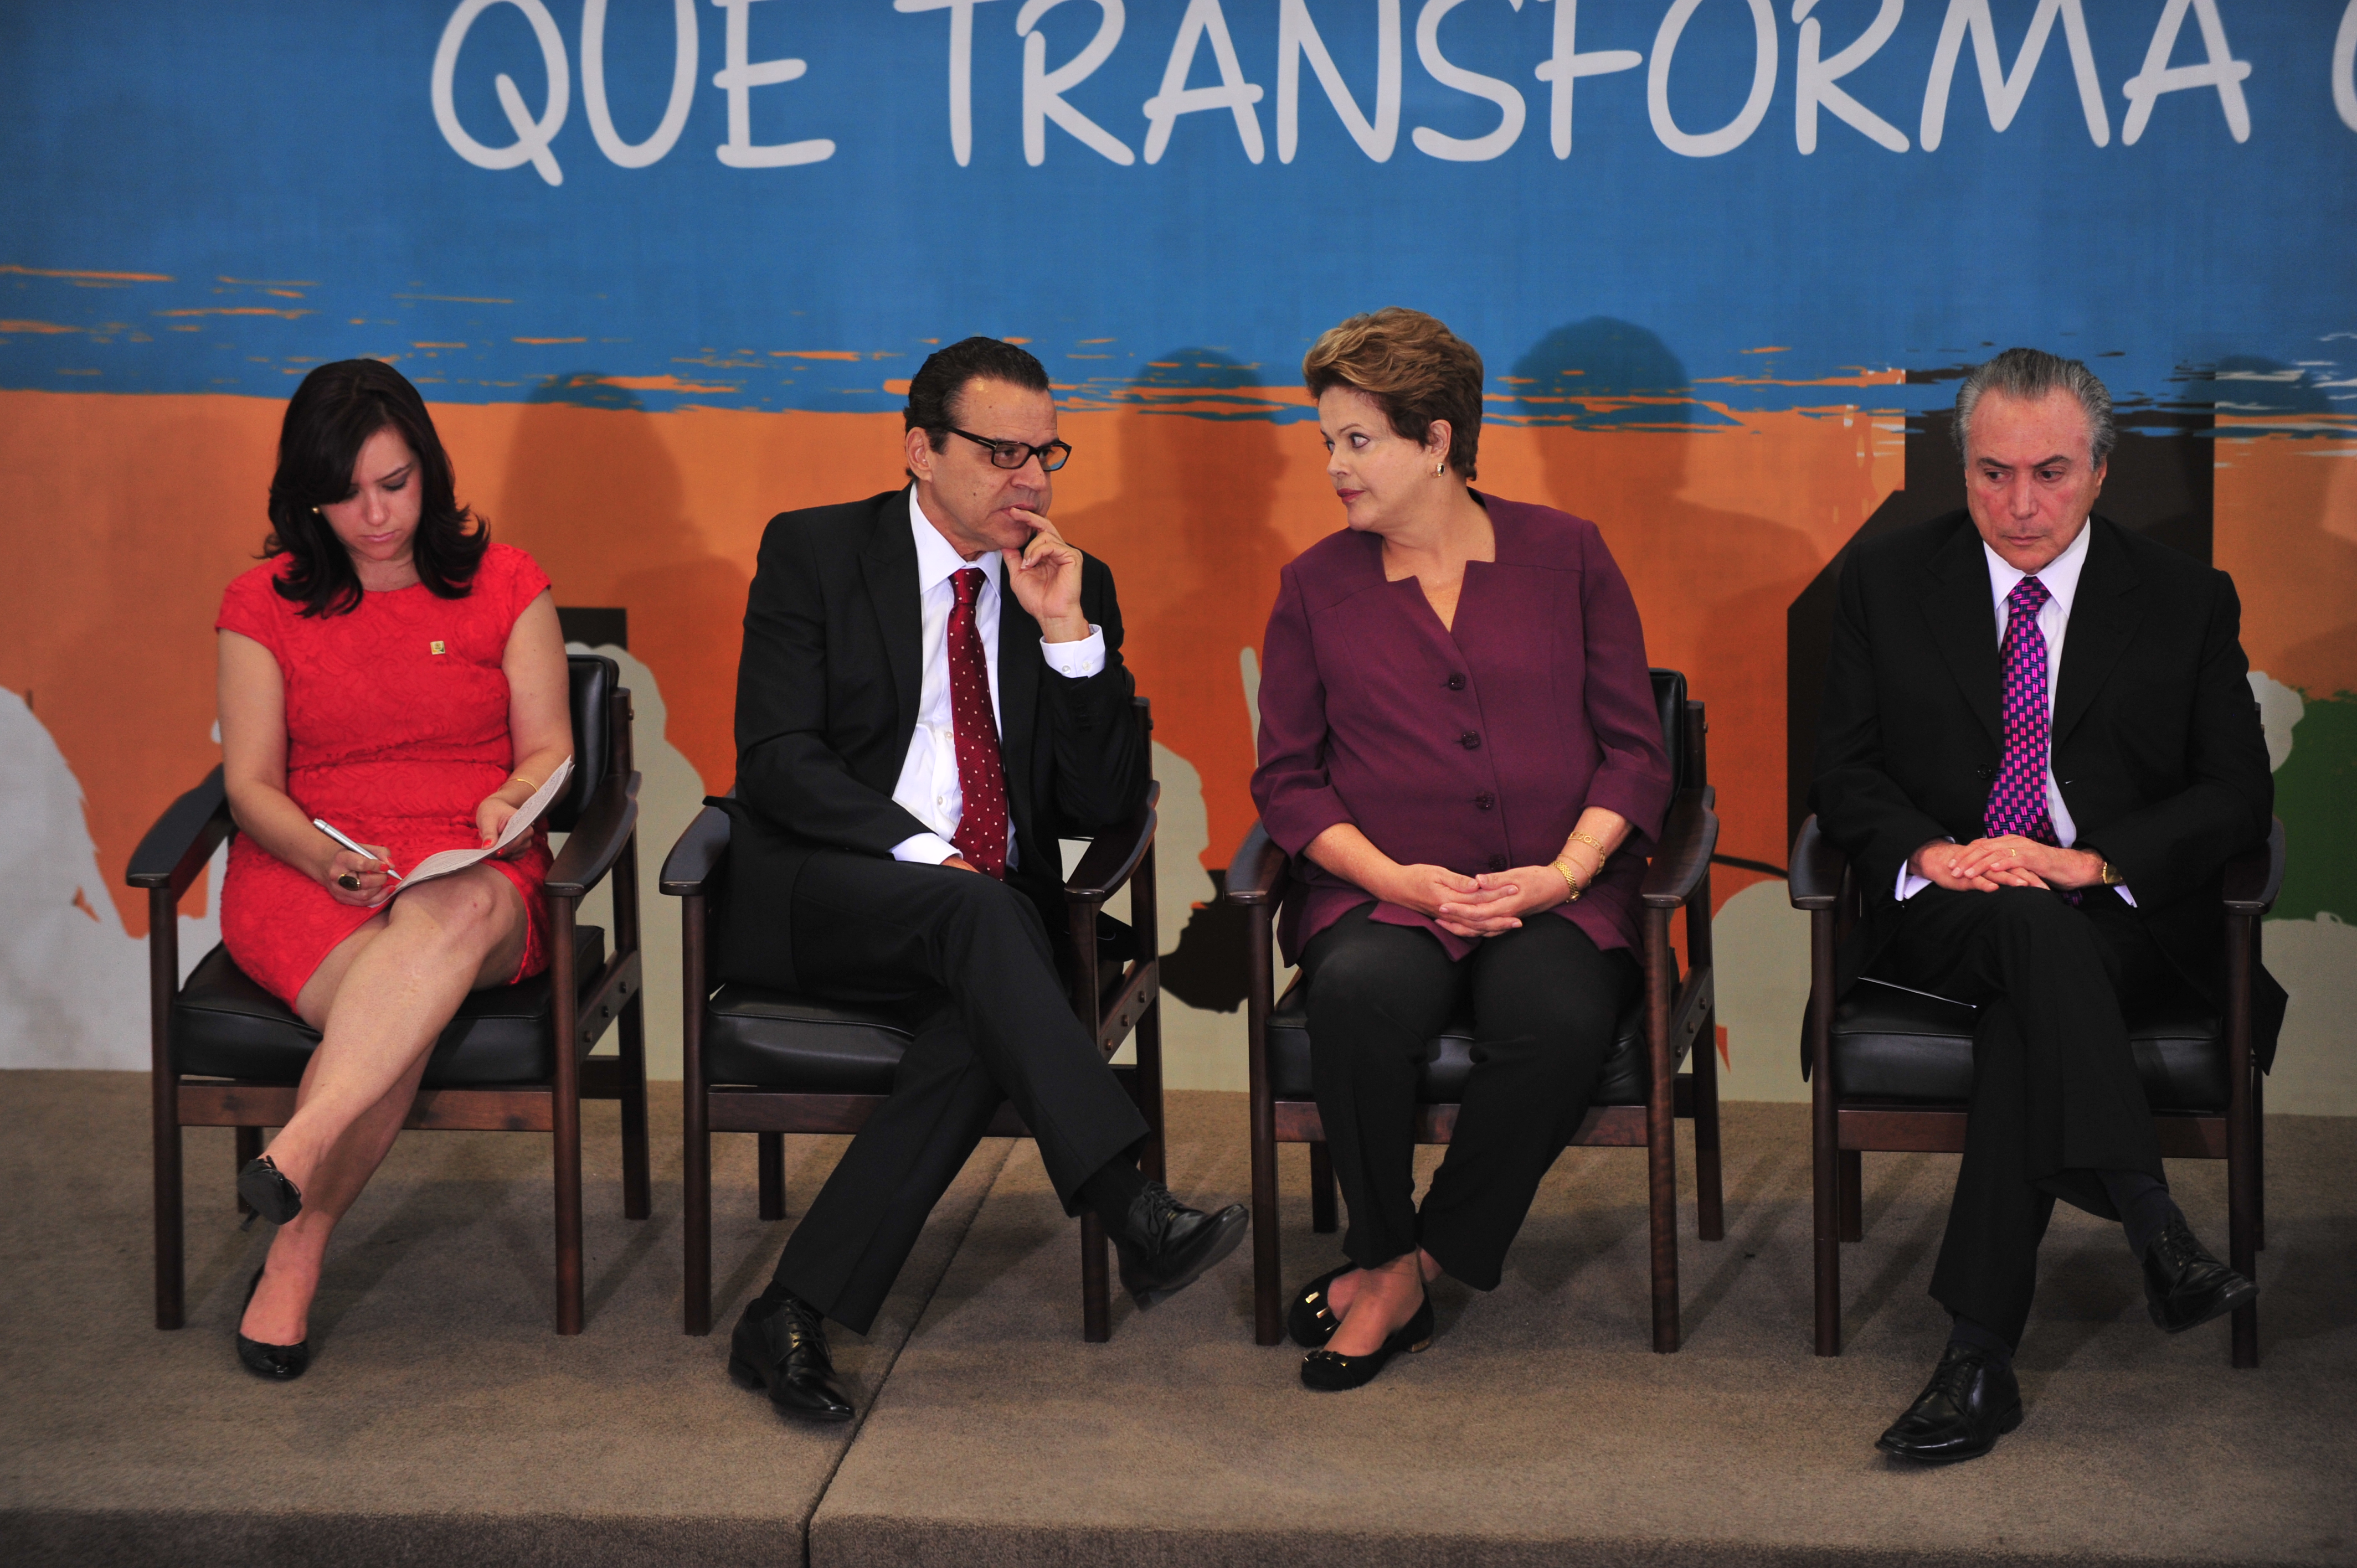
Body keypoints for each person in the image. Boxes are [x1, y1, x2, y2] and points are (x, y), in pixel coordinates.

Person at [716, 337, 1249, 1425]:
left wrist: (1067, 635)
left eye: (1045, 451)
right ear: (920, 449)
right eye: (1001, 451)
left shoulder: (1070, 577)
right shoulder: (815, 553)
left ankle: (791, 1312)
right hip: (830, 895)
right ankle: (1127, 1205)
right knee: (984, 914)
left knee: (979, 1010)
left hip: (985, 931)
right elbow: (776, 760)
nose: (1033, 478)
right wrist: (923, 850)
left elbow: (1102, 809)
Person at [1812, 347, 2282, 1464]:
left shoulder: (2181, 599)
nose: (2019, 505)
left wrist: (2096, 861)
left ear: (2102, 471)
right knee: (2024, 929)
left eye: (2052, 474)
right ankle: (2152, 1222)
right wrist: (1934, 847)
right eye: (1991, 474)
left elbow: (2235, 792)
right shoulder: (1883, 581)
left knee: (2038, 978)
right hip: (1945, 910)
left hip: (2112, 922)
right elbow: (1841, 773)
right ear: (1960, 468)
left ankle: (1979, 1356)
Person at [1252, 308, 1673, 1391]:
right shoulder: (1313, 588)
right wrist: (1391, 877)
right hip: (1387, 896)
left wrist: (1565, 874)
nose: (1335, 467)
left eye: (1359, 440)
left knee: (1559, 1017)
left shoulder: (1567, 554)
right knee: (1355, 1000)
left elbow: (1634, 750)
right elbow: (1289, 779)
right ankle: (1386, 1252)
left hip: (1556, 891)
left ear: (1435, 441)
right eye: (1327, 442)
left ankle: (1409, 1266)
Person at [218, 359, 573, 1379]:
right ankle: (300, 1241)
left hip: (473, 855)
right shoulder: (261, 602)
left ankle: (299, 1153)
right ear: (306, 494)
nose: (374, 515)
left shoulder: (505, 580)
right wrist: (325, 860)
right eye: (346, 493)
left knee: (445, 922)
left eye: (395, 484)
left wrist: (509, 804)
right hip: (308, 861)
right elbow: (250, 786)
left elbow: (549, 747)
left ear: (431, 470)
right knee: (400, 1005)